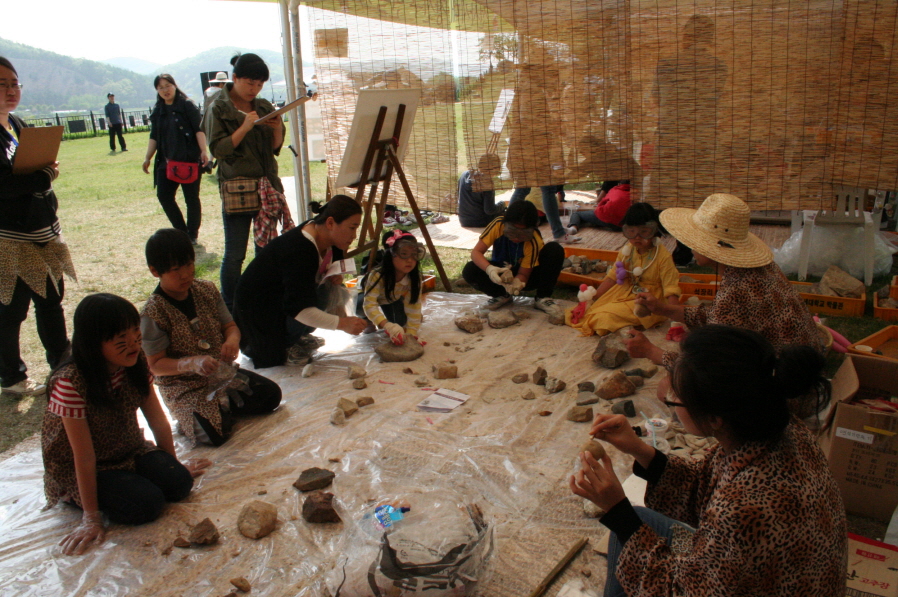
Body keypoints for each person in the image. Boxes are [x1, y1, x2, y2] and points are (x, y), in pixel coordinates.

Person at [571, 325, 846, 596]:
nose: (671, 400)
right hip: (744, 573)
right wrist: (638, 448)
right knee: (639, 520)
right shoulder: (780, 430)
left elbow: (677, 591)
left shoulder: (742, 511)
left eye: (676, 397)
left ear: (715, 418)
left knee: (629, 524)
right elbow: (704, 485)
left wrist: (616, 510)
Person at [41, 293, 211, 556]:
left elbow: (158, 422)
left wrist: (174, 464)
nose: (133, 344)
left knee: (178, 483)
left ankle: (134, 478)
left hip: (128, 448)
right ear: (93, 343)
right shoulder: (69, 382)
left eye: (135, 334)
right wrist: (91, 517)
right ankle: (76, 496)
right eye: (122, 339)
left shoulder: (135, 363)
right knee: (147, 504)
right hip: (86, 466)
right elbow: (83, 456)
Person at [626, 193, 822, 371]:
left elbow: (709, 370)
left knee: (668, 389)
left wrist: (652, 352)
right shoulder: (759, 270)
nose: (690, 245)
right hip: (803, 370)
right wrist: (663, 308)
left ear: (713, 247)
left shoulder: (734, 291)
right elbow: (718, 318)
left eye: (694, 239)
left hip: (781, 387)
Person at [140, 229, 281, 446]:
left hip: (220, 374)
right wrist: (191, 363)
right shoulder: (153, 313)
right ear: (155, 271)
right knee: (214, 434)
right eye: (176, 270)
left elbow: (230, 327)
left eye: (188, 265)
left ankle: (220, 407)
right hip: (185, 387)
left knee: (271, 395)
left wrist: (232, 341)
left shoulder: (206, 290)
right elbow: (156, 365)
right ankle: (201, 413)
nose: (186, 275)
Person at [0, 57, 76, 397]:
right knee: (11, 309)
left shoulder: (15, 124)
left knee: (50, 301)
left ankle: (61, 365)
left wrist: (43, 173)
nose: (11, 90)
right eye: (2, 84)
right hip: (11, 237)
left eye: (14, 83)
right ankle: (12, 376)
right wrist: (42, 175)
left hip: (42, 231)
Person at [233, 196, 368, 368]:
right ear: (330, 223)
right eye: (352, 228)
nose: (354, 235)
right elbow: (299, 308)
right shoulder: (300, 250)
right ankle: (286, 344)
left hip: (282, 301)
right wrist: (341, 324)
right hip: (259, 319)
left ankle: (296, 336)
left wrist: (336, 275)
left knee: (326, 292)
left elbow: (330, 266)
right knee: (311, 303)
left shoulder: (328, 237)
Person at [206, 53, 286, 311]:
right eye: (250, 83)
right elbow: (219, 150)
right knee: (234, 255)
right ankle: (232, 307)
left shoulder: (263, 106)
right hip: (238, 189)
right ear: (235, 78)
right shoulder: (219, 107)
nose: (255, 89)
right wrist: (244, 127)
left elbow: (275, 148)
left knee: (266, 252)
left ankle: (262, 300)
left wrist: (276, 127)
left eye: (260, 84)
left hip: (267, 187)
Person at [566, 203, 680, 336]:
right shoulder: (627, 251)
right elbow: (611, 278)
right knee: (584, 312)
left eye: (644, 231)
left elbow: (671, 289)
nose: (637, 237)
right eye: (631, 231)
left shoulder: (662, 256)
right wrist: (593, 298)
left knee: (602, 317)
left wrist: (676, 321)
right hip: (623, 291)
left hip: (648, 301)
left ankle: (625, 325)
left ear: (654, 230)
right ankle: (622, 323)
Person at [462, 200, 565, 319]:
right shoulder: (498, 224)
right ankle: (501, 295)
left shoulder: (534, 240)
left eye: (523, 233)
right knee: (470, 269)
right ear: (506, 223)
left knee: (554, 249)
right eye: (513, 231)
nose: (516, 237)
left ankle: (543, 298)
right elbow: (476, 252)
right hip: (499, 273)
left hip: (526, 278)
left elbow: (523, 274)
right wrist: (490, 269)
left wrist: (516, 283)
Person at [142, 75, 208, 245]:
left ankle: (192, 233)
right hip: (166, 162)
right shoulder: (158, 110)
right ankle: (181, 231)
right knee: (164, 195)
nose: (165, 90)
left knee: (191, 198)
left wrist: (203, 151)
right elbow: (154, 136)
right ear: (157, 90)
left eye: (168, 85)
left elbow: (198, 129)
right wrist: (147, 157)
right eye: (161, 87)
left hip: (189, 160)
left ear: (174, 85)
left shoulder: (186, 105)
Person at [359, 230, 426, 345]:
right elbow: (369, 304)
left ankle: (383, 318)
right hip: (364, 297)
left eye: (414, 254)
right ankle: (366, 320)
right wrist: (386, 325)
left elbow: (413, 306)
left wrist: (411, 334)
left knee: (400, 324)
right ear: (391, 254)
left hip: (390, 299)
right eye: (404, 254)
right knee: (360, 306)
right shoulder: (377, 275)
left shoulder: (414, 277)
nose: (410, 260)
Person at [510, 185, 580, 244]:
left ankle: (507, 226)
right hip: (536, 210)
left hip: (533, 210)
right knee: (548, 187)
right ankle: (558, 232)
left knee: (523, 187)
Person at [457, 153, 506, 228]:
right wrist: (503, 204)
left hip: (464, 220)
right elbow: (490, 210)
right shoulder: (487, 183)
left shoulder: (464, 175)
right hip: (481, 221)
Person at [567, 181, 631, 234]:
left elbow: (601, 203)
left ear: (619, 184)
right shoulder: (637, 193)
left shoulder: (614, 190)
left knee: (577, 214)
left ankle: (573, 228)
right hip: (624, 224)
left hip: (608, 219)